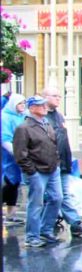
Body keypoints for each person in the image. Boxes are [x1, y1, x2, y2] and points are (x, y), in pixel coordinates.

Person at [12, 95, 62, 249]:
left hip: (52, 168)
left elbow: (53, 145)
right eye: (41, 105)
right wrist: (31, 172)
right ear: (32, 108)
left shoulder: (46, 123)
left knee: (57, 198)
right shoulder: (24, 128)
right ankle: (32, 236)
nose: (45, 107)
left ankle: (45, 230)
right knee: (36, 203)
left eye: (44, 105)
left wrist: (57, 162)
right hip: (37, 171)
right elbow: (20, 154)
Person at [42, 87, 82, 236]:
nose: (58, 98)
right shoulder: (42, 118)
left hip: (61, 163)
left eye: (59, 96)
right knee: (53, 197)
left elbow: (64, 141)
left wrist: (68, 161)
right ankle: (45, 228)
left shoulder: (59, 116)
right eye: (54, 95)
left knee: (61, 195)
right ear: (45, 97)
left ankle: (73, 224)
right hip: (48, 165)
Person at [2, 94, 27, 223]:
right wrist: (16, 152)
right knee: (7, 184)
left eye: (24, 103)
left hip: (20, 157)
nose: (22, 105)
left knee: (14, 185)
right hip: (8, 158)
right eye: (20, 103)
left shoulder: (23, 116)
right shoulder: (5, 117)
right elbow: (4, 139)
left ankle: (11, 215)